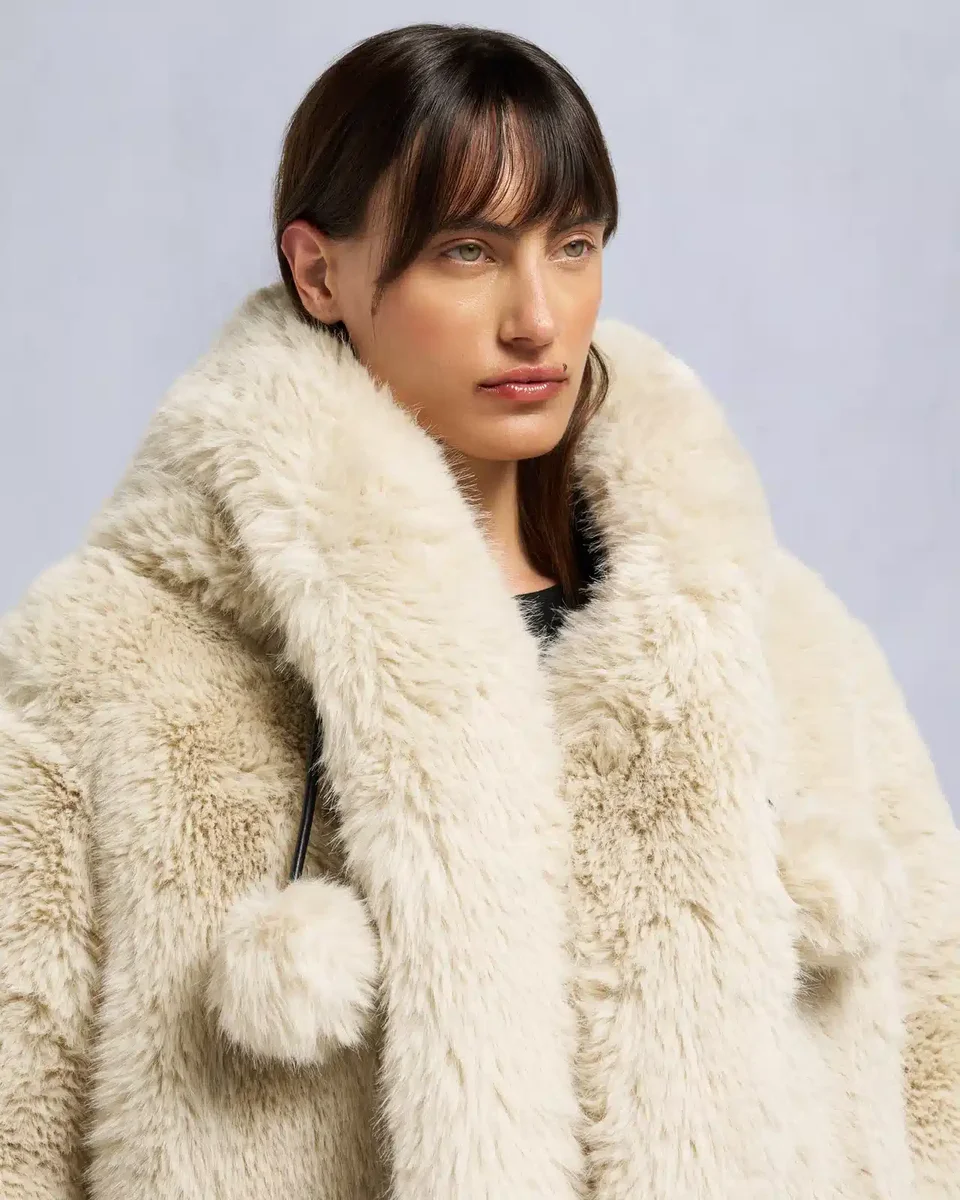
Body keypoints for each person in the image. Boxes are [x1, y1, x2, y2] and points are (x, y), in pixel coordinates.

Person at [0, 21, 956, 1200]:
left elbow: (938, 1066)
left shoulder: (774, 634)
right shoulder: (106, 673)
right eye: (466, 251)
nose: (537, 317)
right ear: (318, 272)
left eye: (574, 245)